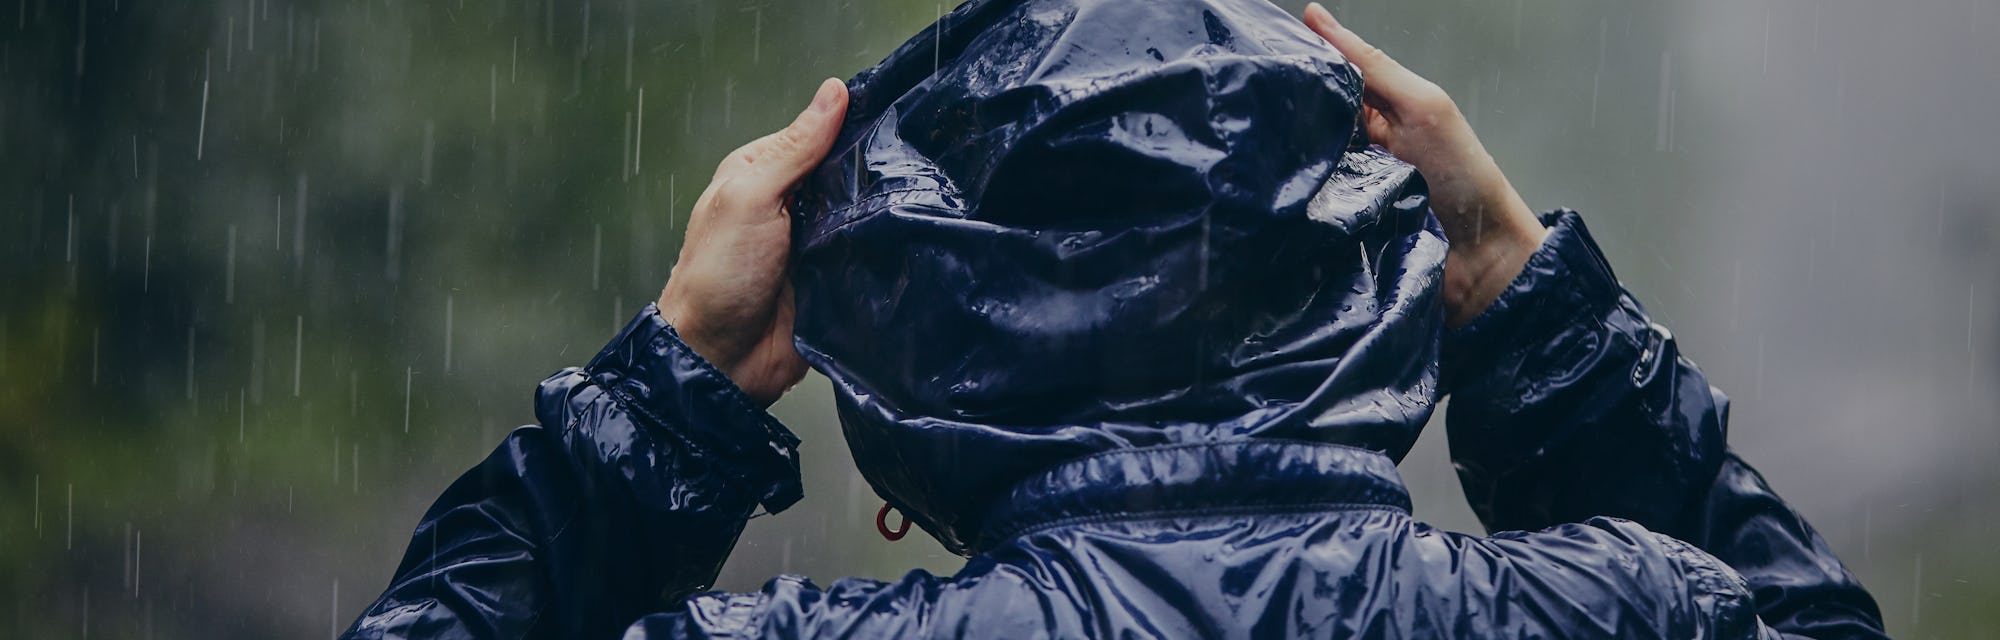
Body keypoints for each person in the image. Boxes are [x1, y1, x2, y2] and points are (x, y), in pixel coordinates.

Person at [343, 1, 1886, 637]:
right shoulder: (1624, 614)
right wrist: (1531, 306)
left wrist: (674, 376)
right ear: (1382, 271)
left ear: (921, 313)